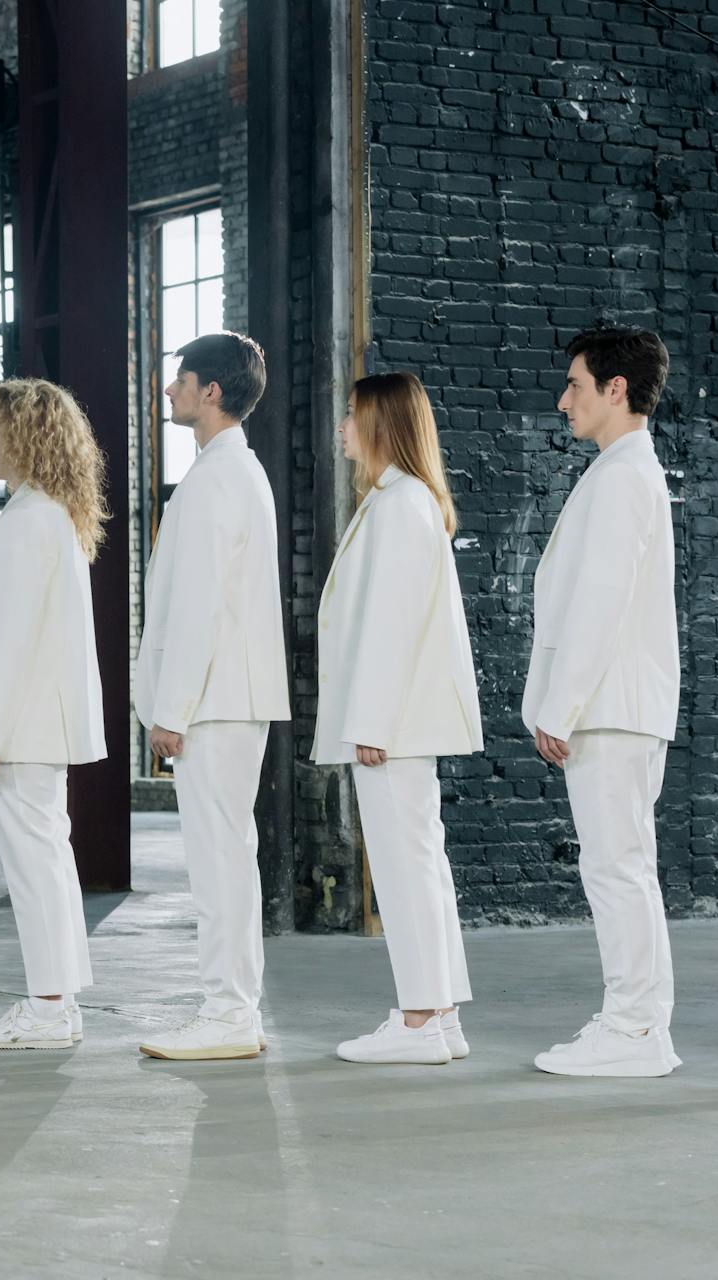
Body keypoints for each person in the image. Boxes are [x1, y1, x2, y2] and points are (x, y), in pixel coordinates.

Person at [526, 327, 681, 1078]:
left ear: (616, 389)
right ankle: (637, 1024)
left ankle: (635, 1030)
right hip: (617, 704)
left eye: (576, 386)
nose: (564, 401)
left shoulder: (623, 476)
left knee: (616, 868)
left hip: (611, 706)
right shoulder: (623, 470)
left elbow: (600, 602)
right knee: (622, 866)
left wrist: (561, 706)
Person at [315, 371, 482, 1066]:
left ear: (382, 424)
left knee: (405, 864)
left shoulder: (399, 506)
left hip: (391, 724)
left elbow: (391, 626)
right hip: (400, 720)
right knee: (420, 862)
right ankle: (439, 1016)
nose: (342, 428)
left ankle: (418, 1021)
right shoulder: (402, 502)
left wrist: (373, 722)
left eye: (352, 416)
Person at [134, 332, 290, 1061]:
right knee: (226, 854)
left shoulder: (217, 480)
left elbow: (198, 605)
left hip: (214, 700)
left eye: (180, 381)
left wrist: (171, 709)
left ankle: (229, 1013)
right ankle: (231, 1009)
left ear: (212, 393)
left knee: (219, 859)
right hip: (228, 694)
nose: (170, 392)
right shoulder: (233, 473)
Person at [0, 380, 107, 1050]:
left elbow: (9, 640)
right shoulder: (53, 515)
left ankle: (48, 1009)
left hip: (21, 727)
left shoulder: (26, 522)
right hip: (41, 722)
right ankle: (59, 1003)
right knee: (49, 860)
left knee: (35, 864)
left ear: (22, 437)